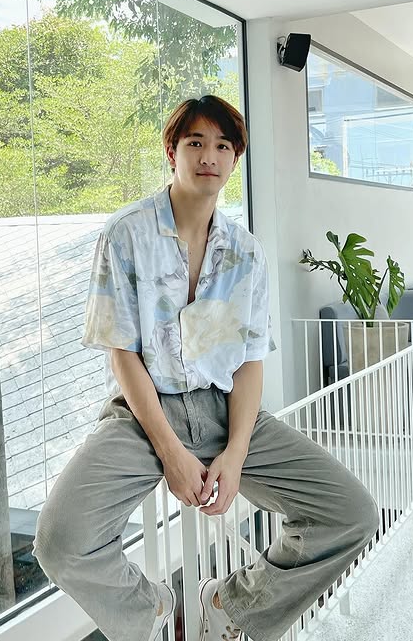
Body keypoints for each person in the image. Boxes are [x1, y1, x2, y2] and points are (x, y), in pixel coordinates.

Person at [33, 95, 378, 641]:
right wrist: (171, 452)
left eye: (222, 146)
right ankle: (151, 611)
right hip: (145, 412)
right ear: (173, 151)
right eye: (195, 142)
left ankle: (230, 606)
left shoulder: (247, 252)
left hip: (226, 410)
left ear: (235, 158)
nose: (209, 156)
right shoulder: (125, 235)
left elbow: (249, 362)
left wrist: (236, 453)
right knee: (60, 541)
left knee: (352, 513)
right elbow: (123, 354)